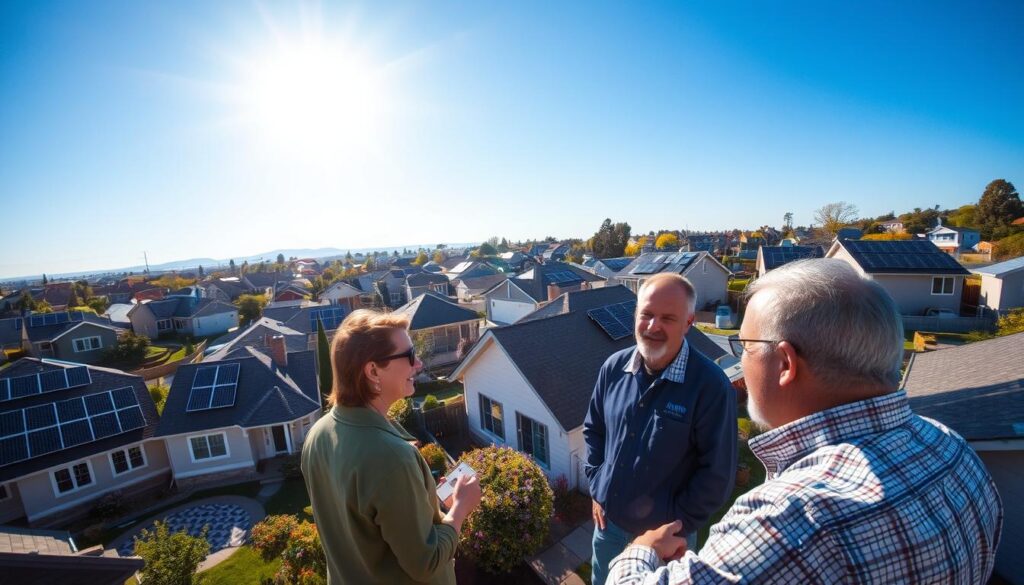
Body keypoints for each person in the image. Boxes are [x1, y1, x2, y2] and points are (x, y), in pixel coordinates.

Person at [608, 259, 1003, 584]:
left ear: (784, 363)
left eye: (744, 345)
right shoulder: (954, 450)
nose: (741, 363)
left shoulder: (791, 518)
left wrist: (641, 549)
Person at [301, 310, 482, 585]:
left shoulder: (317, 435)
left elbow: (366, 525)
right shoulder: (392, 459)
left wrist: (426, 500)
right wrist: (460, 508)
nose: (419, 364)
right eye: (409, 356)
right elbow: (427, 561)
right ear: (373, 370)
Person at [584, 273, 738, 585]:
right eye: (647, 315)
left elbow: (717, 474)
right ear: (636, 316)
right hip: (609, 528)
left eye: (668, 318)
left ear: (689, 322)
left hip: (666, 540)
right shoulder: (613, 369)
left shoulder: (710, 387)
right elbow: (594, 430)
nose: (654, 326)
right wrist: (598, 488)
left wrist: (677, 525)